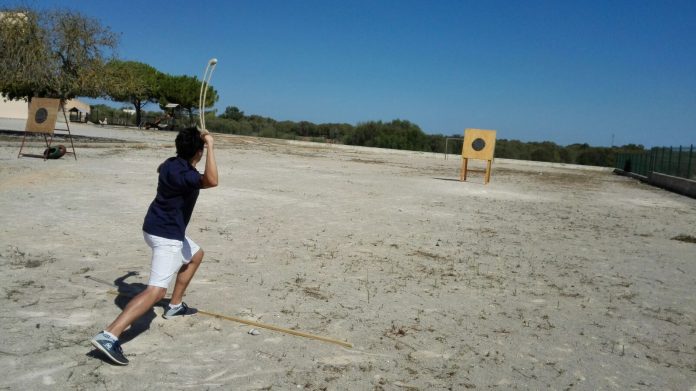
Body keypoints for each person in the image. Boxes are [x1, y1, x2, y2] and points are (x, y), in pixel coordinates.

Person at [91, 127, 218, 365]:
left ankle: (175, 306)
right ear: (198, 152)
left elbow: (161, 168)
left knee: (195, 255)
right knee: (156, 290)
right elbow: (212, 180)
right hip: (166, 235)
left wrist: (125, 278)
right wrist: (211, 144)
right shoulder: (187, 176)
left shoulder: (171, 163)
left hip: (153, 227)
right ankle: (109, 335)